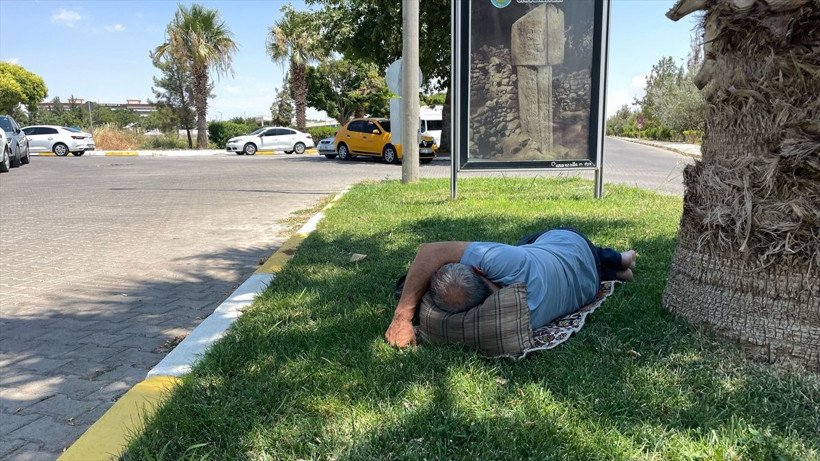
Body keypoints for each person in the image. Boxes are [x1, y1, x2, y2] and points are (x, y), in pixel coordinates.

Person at [385, 228, 636, 348]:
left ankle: (615, 270)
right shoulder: (509, 260)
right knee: (532, 245)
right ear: (480, 271)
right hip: (570, 243)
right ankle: (621, 259)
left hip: (589, 286)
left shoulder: (510, 319)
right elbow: (430, 251)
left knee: (576, 266)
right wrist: (401, 317)